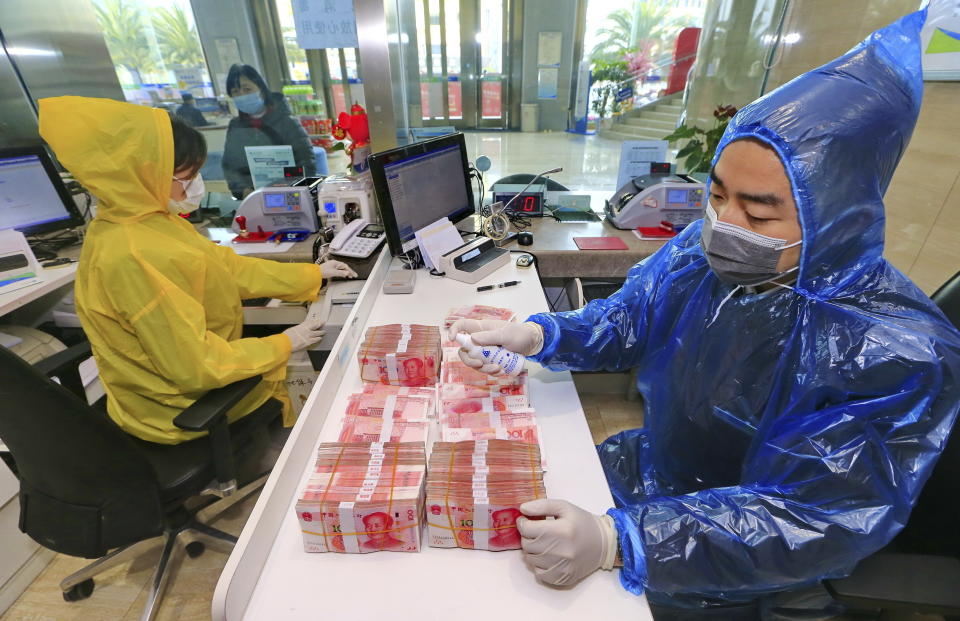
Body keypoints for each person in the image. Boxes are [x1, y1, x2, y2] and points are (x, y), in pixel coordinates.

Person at [449, 10, 960, 618]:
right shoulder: (703, 252)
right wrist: (541, 332)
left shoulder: (893, 352)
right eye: (717, 194)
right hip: (651, 478)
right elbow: (631, 319)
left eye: (760, 213)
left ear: (839, 214)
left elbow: (813, 517)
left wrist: (624, 541)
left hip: (741, 565)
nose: (725, 227)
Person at [38, 96, 356, 445]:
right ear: (141, 174)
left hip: (183, 375)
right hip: (176, 409)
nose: (195, 185)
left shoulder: (145, 221)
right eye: (185, 176)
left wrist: (312, 275)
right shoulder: (134, 256)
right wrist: (285, 342)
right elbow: (198, 366)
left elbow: (225, 267)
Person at [221, 64, 316, 199]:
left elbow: (306, 162)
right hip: (252, 198)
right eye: (236, 92)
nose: (242, 95)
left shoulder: (287, 123)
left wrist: (290, 186)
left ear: (262, 89)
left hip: (289, 197)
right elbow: (230, 166)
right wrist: (242, 190)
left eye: (247, 89)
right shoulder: (235, 126)